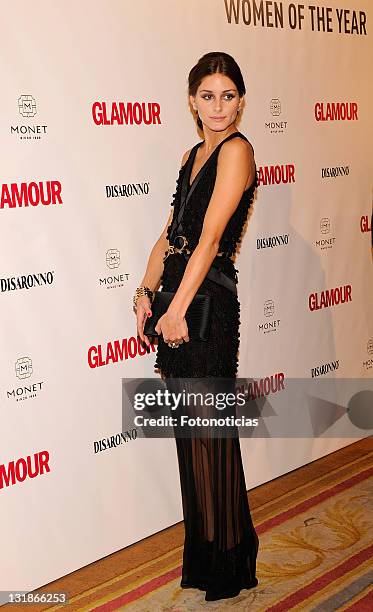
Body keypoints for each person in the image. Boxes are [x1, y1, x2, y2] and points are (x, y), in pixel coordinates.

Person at [133, 52, 259, 602]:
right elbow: (172, 232)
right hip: (176, 299)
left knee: (212, 435)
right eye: (207, 95)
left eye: (227, 95)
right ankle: (205, 556)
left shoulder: (238, 152)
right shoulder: (190, 155)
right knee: (191, 434)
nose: (217, 106)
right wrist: (144, 289)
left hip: (206, 303)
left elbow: (210, 241)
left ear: (241, 101)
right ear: (191, 100)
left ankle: (231, 560)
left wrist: (179, 308)